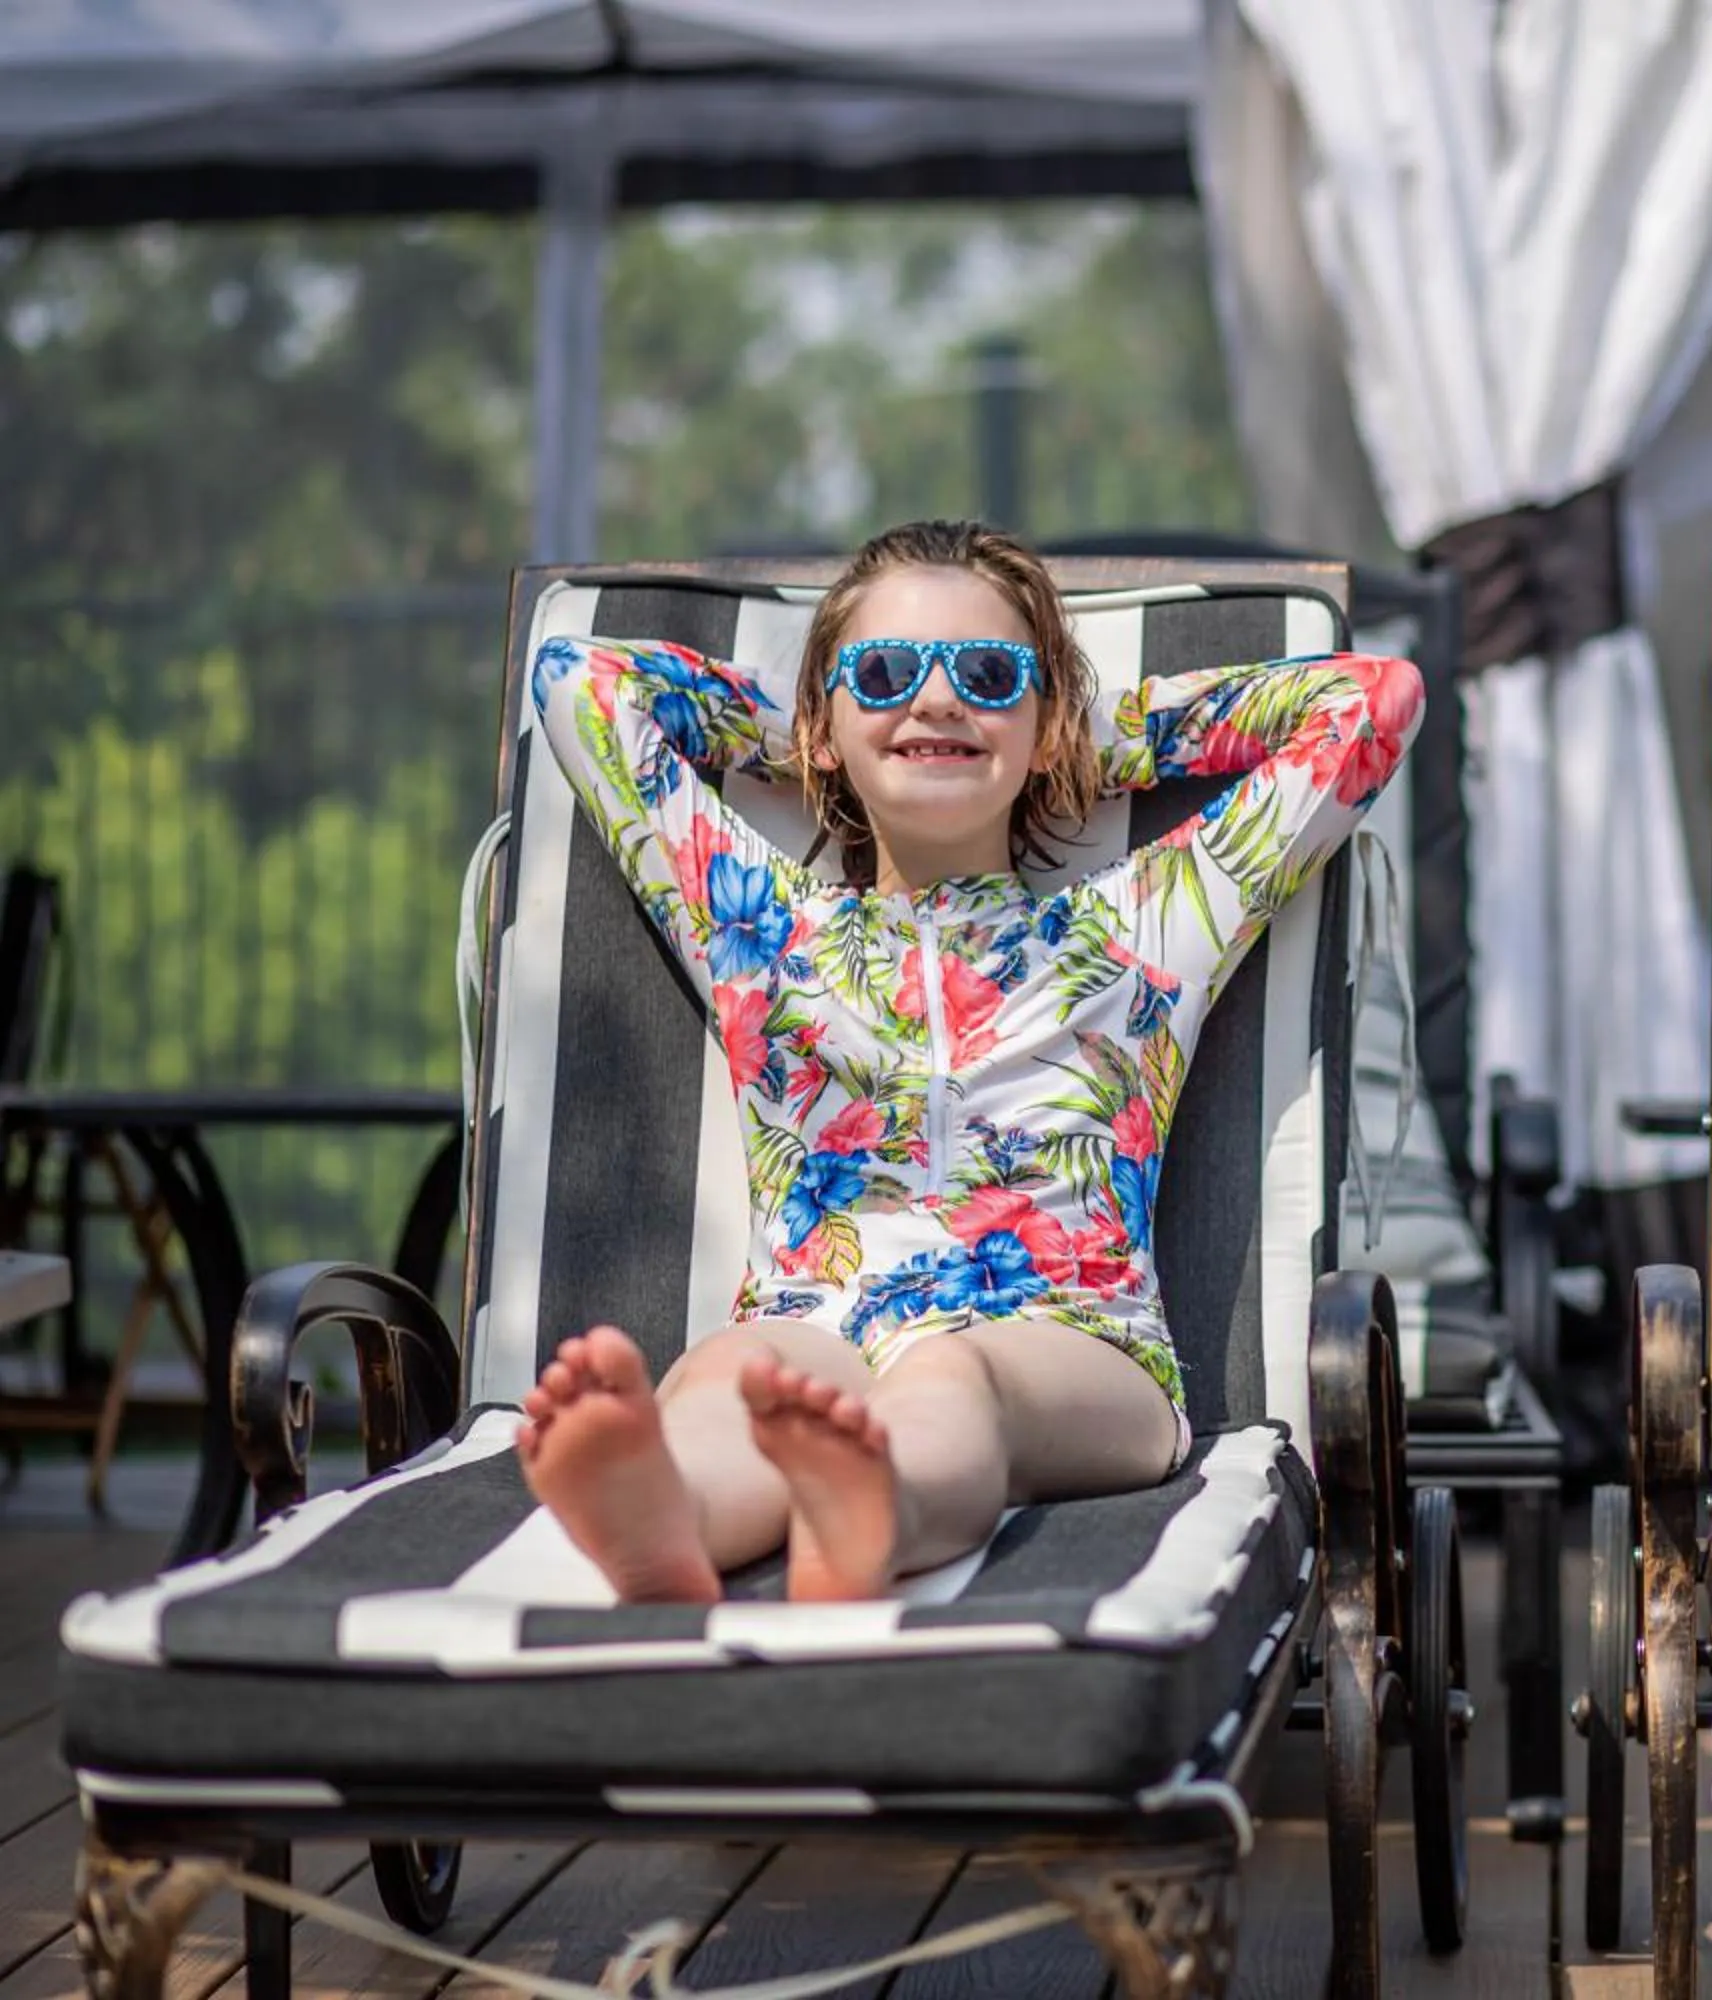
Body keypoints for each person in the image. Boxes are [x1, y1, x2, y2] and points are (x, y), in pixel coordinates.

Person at [514, 518, 1420, 1600]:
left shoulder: (1149, 923)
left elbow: (1375, 703)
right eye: (885, 672)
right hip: (812, 1317)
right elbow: (577, 681)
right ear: (822, 724)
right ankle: (673, 1515)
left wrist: (1069, 735)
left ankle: (878, 1504)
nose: (938, 699)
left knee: (954, 1374)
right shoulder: (754, 922)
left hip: (1069, 1341)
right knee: (734, 1372)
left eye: (989, 676)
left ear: (1046, 724)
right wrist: (822, 727)